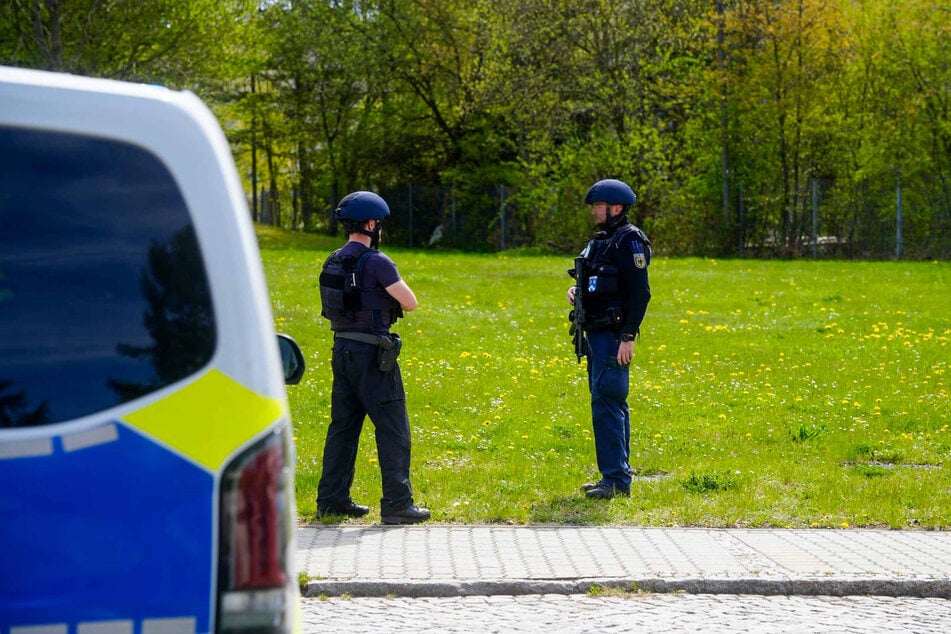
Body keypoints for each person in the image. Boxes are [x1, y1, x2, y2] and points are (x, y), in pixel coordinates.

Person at [316, 190, 430, 524]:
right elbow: (409, 302)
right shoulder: (377, 262)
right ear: (369, 224)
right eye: (378, 223)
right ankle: (397, 504)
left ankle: (332, 500)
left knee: (343, 429)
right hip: (372, 354)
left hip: (342, 350)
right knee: (393, 429)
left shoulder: (333, 260)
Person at [567, 179, 652, 499]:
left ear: (615, 208)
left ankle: (615, 481)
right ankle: (617, 473)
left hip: (614, 335)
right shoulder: (603, 241)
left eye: (598, 207)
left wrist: (628, 336)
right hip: (596, 331)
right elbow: (594, 281)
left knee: (607, 402)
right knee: (609, 401)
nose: (594, 213)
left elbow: (641, 293)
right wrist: (576, 292)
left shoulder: (629, 242)